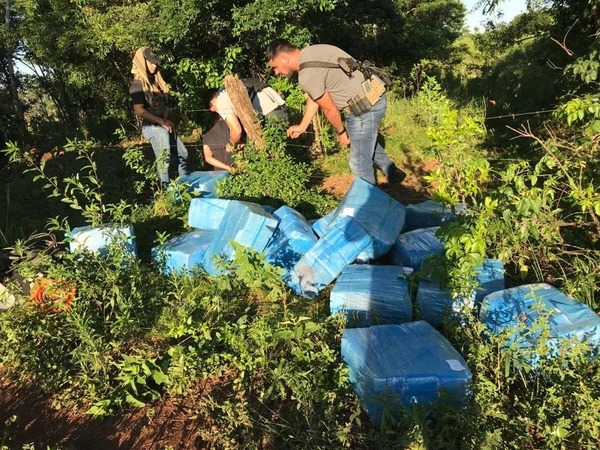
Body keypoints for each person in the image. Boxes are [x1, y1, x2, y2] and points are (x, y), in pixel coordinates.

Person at [266, 39, 406, 185]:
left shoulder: (307, 75)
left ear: (284, 58)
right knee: (363, 141)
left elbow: (329, 108)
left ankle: (371, 204)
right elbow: (316, 97)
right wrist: (303, 126)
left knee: (358, 163)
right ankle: (391, 171)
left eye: (275, 67)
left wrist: (341, 132)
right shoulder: (315, 50)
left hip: (363, 110)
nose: (275, 72)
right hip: (374, 95)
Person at [129, 46, 188, 186]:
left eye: (156, 63)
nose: (155, 66)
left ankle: (185, 185)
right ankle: (166, 193)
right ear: (142, 63)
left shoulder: (157, 81)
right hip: (154, 127)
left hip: (166, 124)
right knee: (164, 161)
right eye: (151, 63)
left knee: (183, 153)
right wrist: (161, 122)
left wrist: (179, 115)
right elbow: (139, 110)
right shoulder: (137, 86)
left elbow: (167, 102)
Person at [205, 79, 288, 146]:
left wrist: (230, 144)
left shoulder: (220, 101)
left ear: (212, 105)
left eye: (214, 110)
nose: (216, 111)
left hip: (267, 114)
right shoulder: (230, 90)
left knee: (263, 151)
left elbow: (236, 131)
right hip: (281, 106)